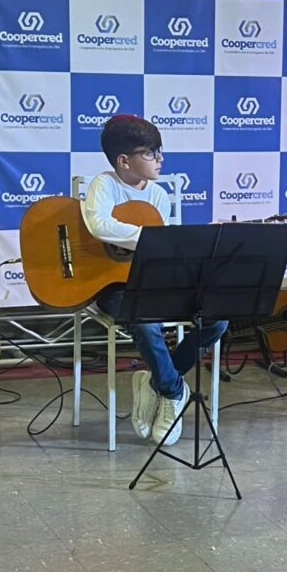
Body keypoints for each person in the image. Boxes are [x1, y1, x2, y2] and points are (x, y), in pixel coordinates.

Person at [81, 115, 228, 444]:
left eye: (160, 151)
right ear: (124, 161)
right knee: (146, 322)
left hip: (152, 281)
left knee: (218, 318)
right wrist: (151, 239)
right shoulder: (104, 185)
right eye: (150, 153)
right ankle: (174, 392)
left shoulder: (159, 195)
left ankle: (155, 382)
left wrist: (186, 244)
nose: (160, 159)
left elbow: (162, 252)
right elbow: (99, 225)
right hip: (111, 285)